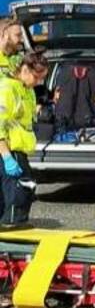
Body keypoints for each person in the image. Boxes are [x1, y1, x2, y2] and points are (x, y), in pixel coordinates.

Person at [0, 53, 48, 227]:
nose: (38, 82)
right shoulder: (8, 89)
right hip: (9, 150)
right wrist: (6, 157)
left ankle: (12, 225)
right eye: (36, 77)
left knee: (18, 192)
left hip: (18, 149)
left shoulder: (26, 89)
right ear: (25, 70)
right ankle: (13, 227)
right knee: (18, 193)